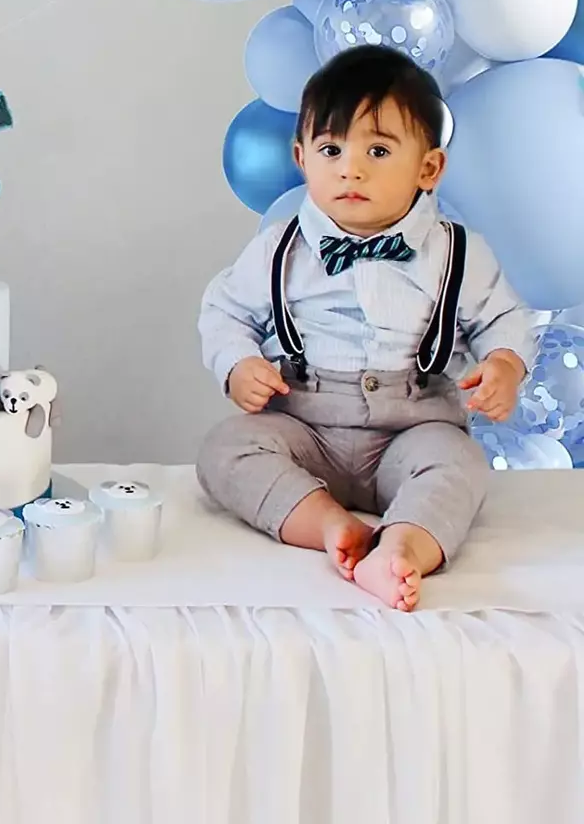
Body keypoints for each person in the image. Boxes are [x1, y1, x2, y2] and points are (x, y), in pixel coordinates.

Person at [197, 47, 537, 611]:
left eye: (378, 150)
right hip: (305, 426)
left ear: (428, 169)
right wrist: (238, 365)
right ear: (302, 158)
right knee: (225, 448)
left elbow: (504, 318)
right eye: (331, 150)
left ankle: (402, 544)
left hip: (413, 427)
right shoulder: (279, 249)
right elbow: (224, 311)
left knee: (459, 463)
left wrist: (503, 363)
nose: (350, 169)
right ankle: (329, 525)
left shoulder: (457, 252)